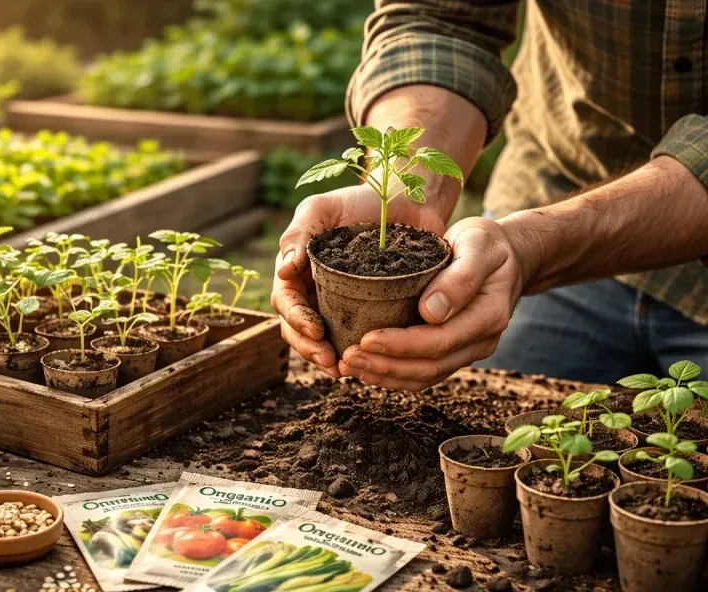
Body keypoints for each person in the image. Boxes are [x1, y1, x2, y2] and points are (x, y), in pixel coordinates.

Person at [273, 0, 708, 390]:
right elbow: (444, 19)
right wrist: (408, 182)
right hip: (555, 188)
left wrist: (530, 248)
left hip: (571, 245)